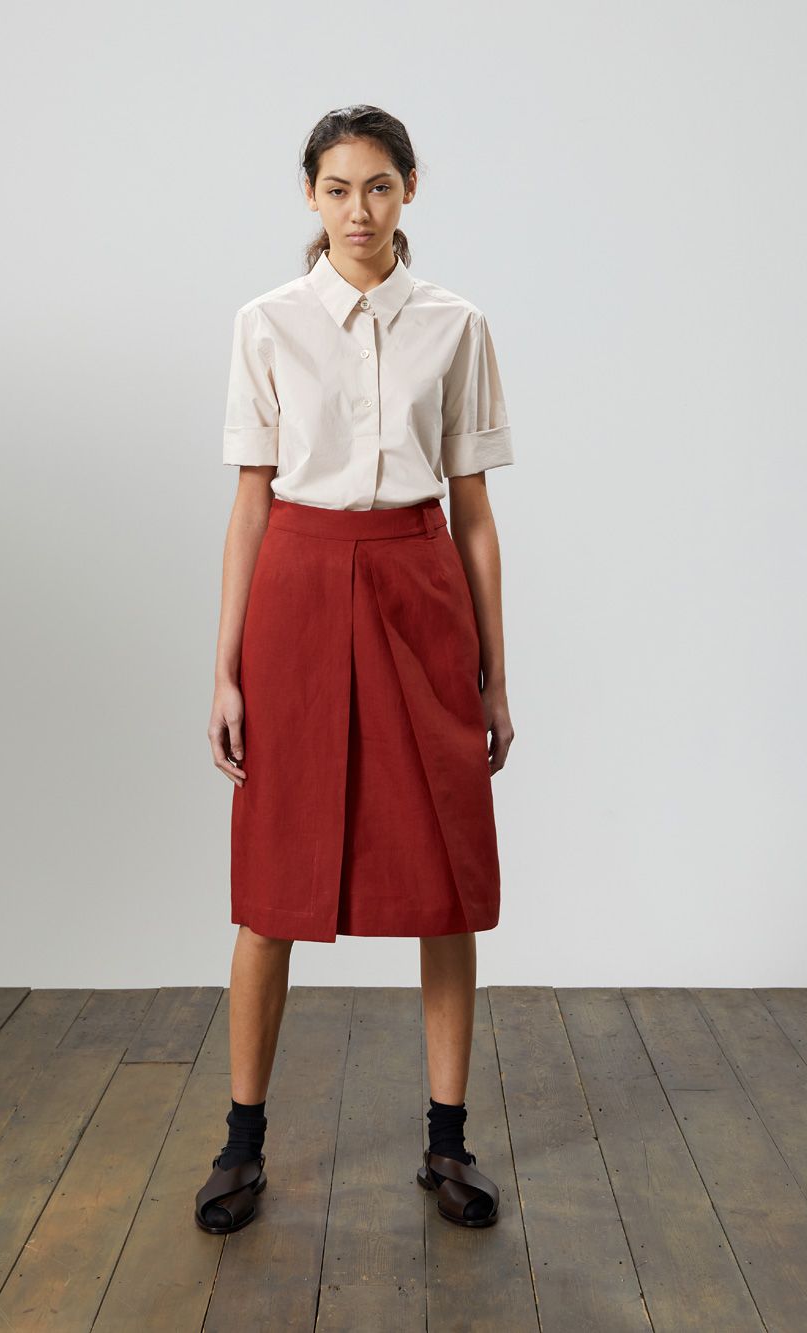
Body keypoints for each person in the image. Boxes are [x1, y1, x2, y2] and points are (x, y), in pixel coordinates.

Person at [196, 105, 515, 1236]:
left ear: (410, 189)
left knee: (443, 875)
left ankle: (448, 1141)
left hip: (420, 592)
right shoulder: (267, 323)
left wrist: (496, 675)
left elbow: (474, 514)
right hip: (296, 593)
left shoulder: (457, 325)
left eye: (379, 186)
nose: (359, 210)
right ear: (311, 196)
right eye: (337, 188)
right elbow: (249, 505)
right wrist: (225, 670)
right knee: (272, 880)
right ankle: (241, 1143)